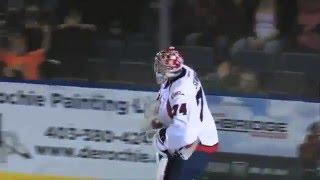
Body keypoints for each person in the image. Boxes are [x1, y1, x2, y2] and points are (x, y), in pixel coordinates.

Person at [152, 46, 219, 180]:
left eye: (162, 67)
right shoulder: (183, 70)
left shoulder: (180, 92)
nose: (158, 69)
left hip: (196, 143)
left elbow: (182, 130)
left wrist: (162, 138)